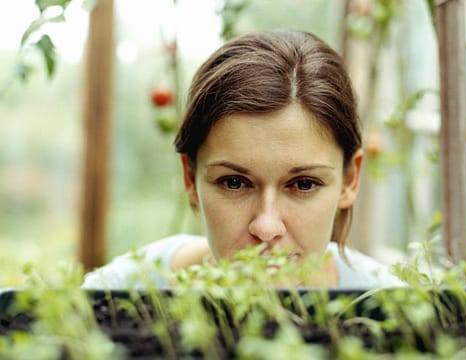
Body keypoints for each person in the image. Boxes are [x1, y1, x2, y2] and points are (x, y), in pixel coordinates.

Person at [82, 29, 401, 289]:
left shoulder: (395, 310)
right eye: (234, 182)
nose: (266, 226)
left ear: (349, 180)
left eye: (304, 184)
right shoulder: (115, 296)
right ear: (190, 179)